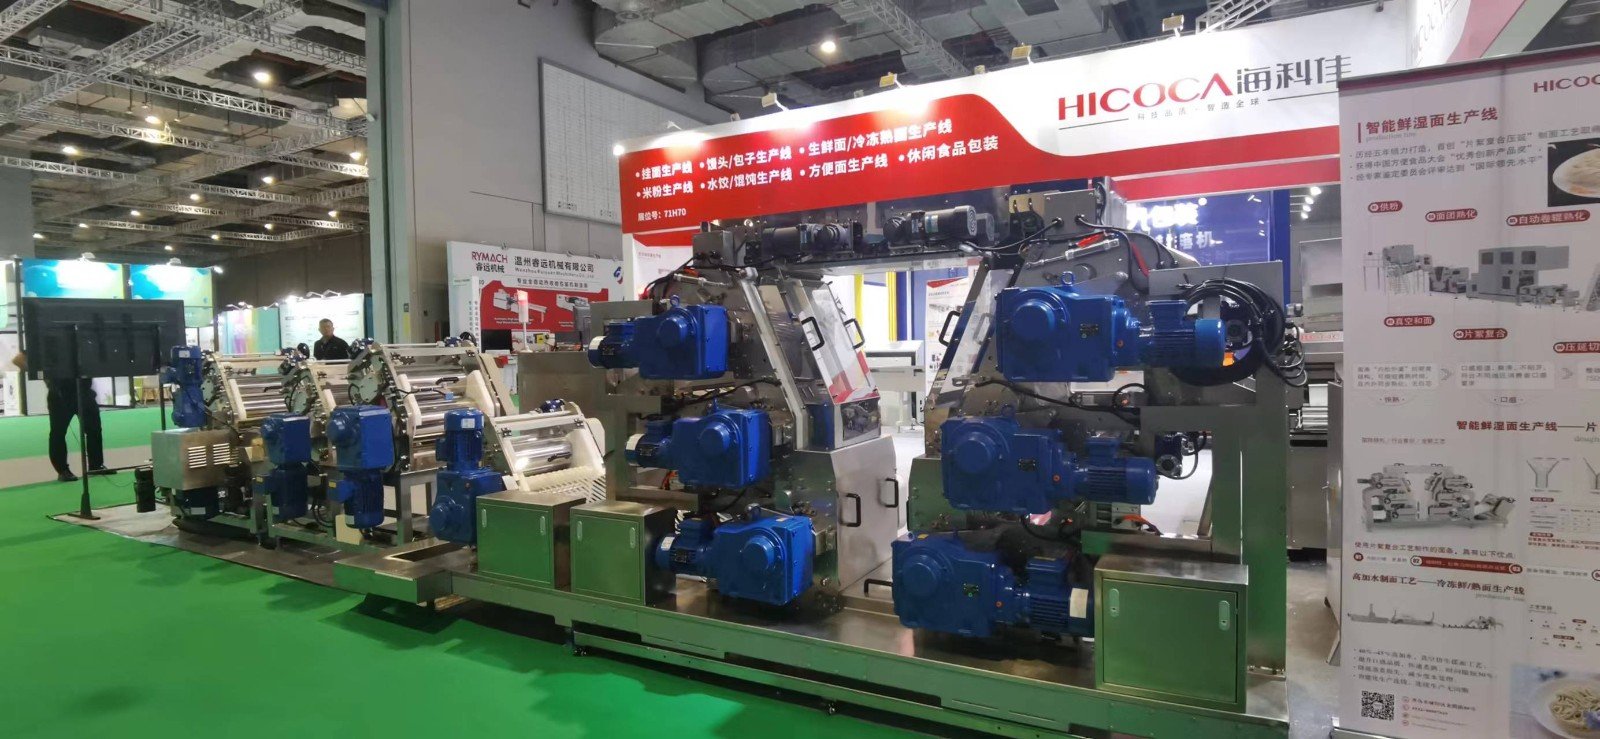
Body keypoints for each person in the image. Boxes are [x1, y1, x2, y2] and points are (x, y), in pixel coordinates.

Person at [12, 352, 113, 482]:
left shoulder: (84, 341)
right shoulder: (46, 343)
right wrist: (44, 377)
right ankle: (62, 471)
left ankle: (96, 465)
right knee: (58, 433)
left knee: (94, 429)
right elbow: (18, 359)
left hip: (84, 391)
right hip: (60, 395)